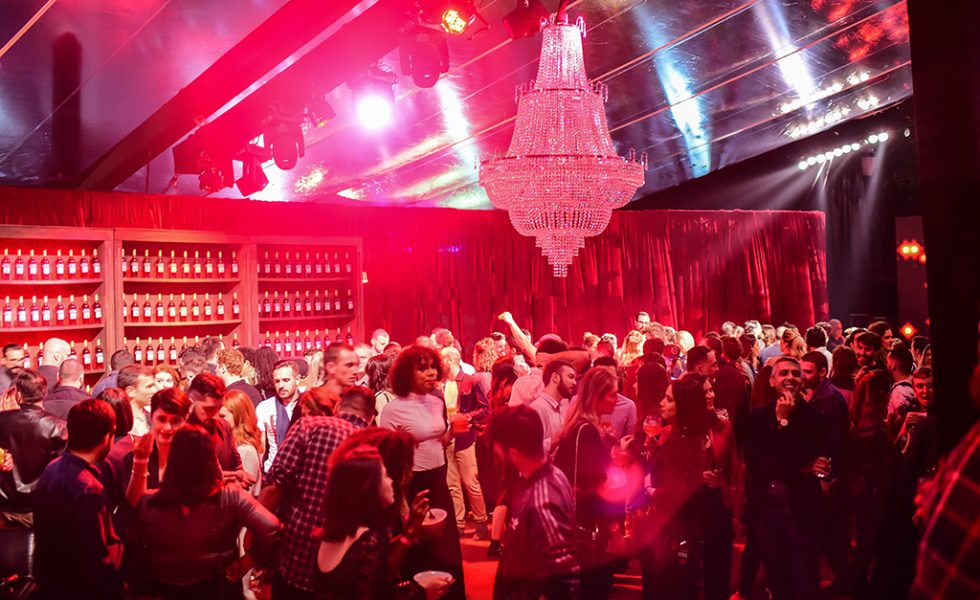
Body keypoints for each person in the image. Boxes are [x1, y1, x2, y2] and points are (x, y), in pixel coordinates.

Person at [133, 426, 281, 599]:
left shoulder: (148, 502)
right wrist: (249, 559)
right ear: (211, 460)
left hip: (163, 590)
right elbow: (272, 528)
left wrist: (139, 461)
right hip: (215, 588)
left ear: (171, 461)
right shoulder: (230, 496)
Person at [259, 387, 375, 599]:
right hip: (342, 571)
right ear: (371, 417)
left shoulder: (309, 426)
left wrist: (254, 539)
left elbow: (275, 485)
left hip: (296, 558)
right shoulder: (377, 446)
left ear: (338, 407)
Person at [380, 345, 466, 599]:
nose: (431, 373)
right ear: (406, 374)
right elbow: (391, 464)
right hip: (412, 485)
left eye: (432, 367)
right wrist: (403, 507)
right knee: (419, 550)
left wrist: (454, 431)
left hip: (438, 480)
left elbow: (440, 442)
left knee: (446, 547)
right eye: (422, 368)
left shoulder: (436, 401)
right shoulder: (393, 410)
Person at [742, 356, 828, 600]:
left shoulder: (815, 418)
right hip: (765, 509)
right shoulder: (757, 417)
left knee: (804, 579)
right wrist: (799, 468)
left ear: (802, 381)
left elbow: (802, 455)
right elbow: (756, 464)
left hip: (800, 510)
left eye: (795, 373)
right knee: (776, 578)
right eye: (784, 373)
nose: (790, 377)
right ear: (772, 381)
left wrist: (784, 423)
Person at [315, 448, 444, 599]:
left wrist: (410, 531)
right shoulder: (368, 541)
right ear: (369, 488)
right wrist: (423, 593)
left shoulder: (339, 531)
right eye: (385, 476)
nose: (391, 481)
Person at [486, 405, 580, 599]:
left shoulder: (542, 502)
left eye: (498, 448)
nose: (496, 453)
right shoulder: (550, 475)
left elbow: (565, 576)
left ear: (513, 453)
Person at [34, 399, 122, 599]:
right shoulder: (88, 490)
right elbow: (96, 559)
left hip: (51, 585)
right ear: (108, 436)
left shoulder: (52, 468)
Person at [638, 377, 712, 600]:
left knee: (668, 587)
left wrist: (650, 489)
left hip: (672, 533)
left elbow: (675, 493)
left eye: (669, 399)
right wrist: (655, 454)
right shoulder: (687, 436)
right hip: (682, 530)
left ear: (684, 406)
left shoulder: (682, 442)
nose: (662, 403)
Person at [553, 367, 621, 598]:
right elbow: (593, 482)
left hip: (578, 521)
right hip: (587, 523)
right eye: (612, 395)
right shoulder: (586, 431)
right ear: (596, 397)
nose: (617, 400)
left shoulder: (580, 427)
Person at [799, 350, 851, 592]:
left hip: (827, 479)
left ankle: (846, 583)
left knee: (828, 536)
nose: (802, 376)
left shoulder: (827, 399)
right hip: (827, 477)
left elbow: (832, 443)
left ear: (822, 372)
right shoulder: (822, 394)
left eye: (807, 372)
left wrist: (824, 476)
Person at [0, 369, 67, 524]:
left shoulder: (1, 421)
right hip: (42, 507)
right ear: (45, 393)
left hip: (5, 508)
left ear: (18, 395)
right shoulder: (58, 426)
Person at [124, 387, 193, 505]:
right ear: (151, 417)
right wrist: (140, 461)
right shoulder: (134, 457)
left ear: (185, 421)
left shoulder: (195, 456)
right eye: (161, 419)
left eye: (175, 421)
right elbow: (134, 503)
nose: (167, 428)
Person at [257, 361, 302, 472]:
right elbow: (260, 446)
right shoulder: (265, 407)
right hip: (274, 470)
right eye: (277, 381)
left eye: (286, 380)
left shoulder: (308, 404)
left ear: (297, 379)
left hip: (301, 470)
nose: (281, 385)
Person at [221, 390, 265, 497]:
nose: (218, 420)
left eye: (223, 416)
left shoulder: (245, 451)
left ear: (238, 417)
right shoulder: (231, 445)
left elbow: (243, 495)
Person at [530, 359, 576, 454]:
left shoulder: (563, 406)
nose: (574, 382)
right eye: (570, 377)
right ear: (555, 378)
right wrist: (560, 436)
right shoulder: (538, 408)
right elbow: (531, 450)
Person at [592, 356, 638, 441]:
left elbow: (630, 441)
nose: (605, 382)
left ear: (617, 379)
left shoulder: (628, 406)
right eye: (600, 377)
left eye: (610, 377)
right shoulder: (578, 401)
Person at [118, 364, 158, 436]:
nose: (155, 390)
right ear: (130, 391)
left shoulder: (147, 414)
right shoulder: (126, 423)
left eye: (154, 385)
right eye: (149, 386)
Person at [886, 346, 917, 433]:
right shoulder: (915, 382)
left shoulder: (900, 391)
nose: (886, 365)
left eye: (887, 362)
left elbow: (903, 423)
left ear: (893, 365)